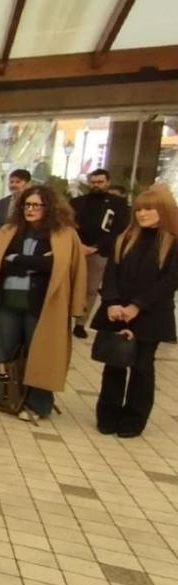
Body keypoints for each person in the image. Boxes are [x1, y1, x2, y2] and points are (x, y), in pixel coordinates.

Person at [0, 185, 85, 422]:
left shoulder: (63, 235)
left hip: (42, 305)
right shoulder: (9, 231)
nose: (31, 209)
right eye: (27, 205)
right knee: (1, 352)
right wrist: (33, 262)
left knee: (39, 354)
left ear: (49, 207)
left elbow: (59, 268)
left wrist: (18, 259)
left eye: (37, 205)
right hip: (7, 302)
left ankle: (37, 403)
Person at [91, 186, 178, 437]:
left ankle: (133, 420)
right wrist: (112, 302)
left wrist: (137, 305)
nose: (142, 214)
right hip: (117, 312)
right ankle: (107, 416)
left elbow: (170, 280)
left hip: (151, 315)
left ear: (163, 210)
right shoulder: (125, 238)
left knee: (141, 367)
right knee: (114, 364)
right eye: (139, 209)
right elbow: (111, 274)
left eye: (149, 209)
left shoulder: (172, 242)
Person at [71, 167, 130, 338]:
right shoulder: (78, 202)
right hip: (76, 250)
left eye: (100, 182)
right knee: (69, 285)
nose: (96, 185)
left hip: (99, 252)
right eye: (93, 182)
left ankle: (80, 323)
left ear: (107, 183)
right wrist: (78, 245)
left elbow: (119, 229)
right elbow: (68, 225)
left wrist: (95, 247)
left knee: (90, 289)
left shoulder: (117, 204)